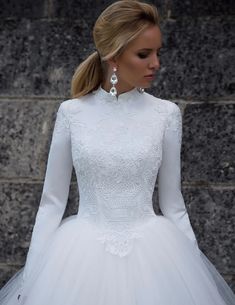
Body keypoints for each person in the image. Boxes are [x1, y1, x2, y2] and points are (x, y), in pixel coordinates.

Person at [0, 1, 234, 304]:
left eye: (157, 52)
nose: (156, 64)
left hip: (155, 258)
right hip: (78, 260)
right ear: (113, 56)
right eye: (143, 54)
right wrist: (31, 277)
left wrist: (195, 274)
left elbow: (173, 204)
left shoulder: (166, 114)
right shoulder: (72, 113)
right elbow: (51, 203)